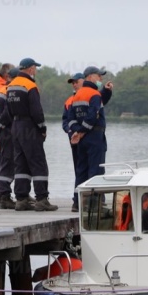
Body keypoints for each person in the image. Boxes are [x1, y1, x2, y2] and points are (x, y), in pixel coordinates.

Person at [1, 57, 58, 211]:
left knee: (21, 164)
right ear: (31, 69)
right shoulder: (30, 85)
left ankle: (21, 199)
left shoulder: (10, 86)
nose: (36, 70)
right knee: (38, 162)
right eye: (35, 68)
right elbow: (36, 111)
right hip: (29, 127)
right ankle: (41, 199)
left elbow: (8, 111)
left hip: (16, 127)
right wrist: (42, 128)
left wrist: (0, 126)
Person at [68, 66, 114, 198]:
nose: (100, 78)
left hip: (81, 140)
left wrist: (78, 131)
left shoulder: (76, 95)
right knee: (96, 170)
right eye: (98, 75)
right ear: (89, 77)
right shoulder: (94, 94)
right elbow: (93, 115)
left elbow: (71, 119)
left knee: (81, 170)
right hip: (94, 136)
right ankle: (95, 204)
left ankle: (78, 202)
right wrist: (82, 131)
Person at [0, 67, 20, 209]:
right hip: (8, 132)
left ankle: (2, 194)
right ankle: (4, 196)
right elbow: (8, 113)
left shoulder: (0, 92)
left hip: (2, 132)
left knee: (4, 162)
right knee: (8, 163)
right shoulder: (9, 91)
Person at [61, 72, 84, 212]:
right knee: (79, 169)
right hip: (74, 140)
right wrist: (70, 131)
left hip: (85, 138)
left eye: (76, 82)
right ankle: (77, 200)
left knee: (87, 169)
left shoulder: (90, 96)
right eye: (72, 83)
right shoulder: (69, 101)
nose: (74, 84)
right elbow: (65, 120)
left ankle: (83, 200)